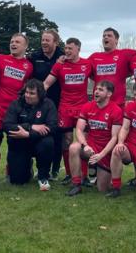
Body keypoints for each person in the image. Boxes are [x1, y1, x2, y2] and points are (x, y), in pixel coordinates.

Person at [44, 38, 92, 185]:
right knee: (66, 141)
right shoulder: (60, 65)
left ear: (78, 49)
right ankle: (70, 174)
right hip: (64, 108)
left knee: (83, 142)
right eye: (66, 48)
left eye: (71, 48)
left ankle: (84, 175)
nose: (67, 51)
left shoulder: (87, 64)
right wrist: (36, 98)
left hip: (82, 109)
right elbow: (46, 83)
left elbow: (101, 78)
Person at [0, 33, 34, 184]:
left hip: (16, 112)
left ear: (25, 46)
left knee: (14, 144)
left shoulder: (29, 66)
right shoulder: (0, 59)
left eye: (17, 42)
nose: (13, 44)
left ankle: (11, 171)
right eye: (12, 41)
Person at [67, 81, 123, 196]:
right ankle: (76, 184)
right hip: (91, 147)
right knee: (74, 147)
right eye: (96, 89)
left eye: (101, 90)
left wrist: (101, 155)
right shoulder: (87, 106)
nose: (96, 91)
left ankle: (99, 171)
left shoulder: (116, 110)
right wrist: (85, 144)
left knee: (102, 188)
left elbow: (114, 137)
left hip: (105, 151)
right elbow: (78, 129)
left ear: (109, 94)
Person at [2, 79, 57, 190]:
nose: (27, 95)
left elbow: (52, 127)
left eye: (32, 93)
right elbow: (7, 125)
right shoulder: (16, 104)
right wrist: (30, 126)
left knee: (48, 142)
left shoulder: (48, 105)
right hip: (20, 143)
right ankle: (26, 166)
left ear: (40, 94)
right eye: (26, 92)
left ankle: (43, 176)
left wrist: (28, 134)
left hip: (39, 142)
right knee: (18, 181)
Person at [29, 29, 65, 180]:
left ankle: (55, 169)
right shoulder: (34, 57)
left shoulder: (63, 57)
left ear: (55, 42)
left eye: (47, 40)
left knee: (57, 137)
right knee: (39, 135)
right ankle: (40, 168)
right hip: (39, 104)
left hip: (58, 103)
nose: (44, 42)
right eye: (42, 39)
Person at [88, 27, 136, 107]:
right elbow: (80, 66)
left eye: (109, 36)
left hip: (118, 104)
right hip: (98, 104)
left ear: (116, 40)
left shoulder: (125, 54)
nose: (105, 37)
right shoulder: (94, 57)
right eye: (104, 36)